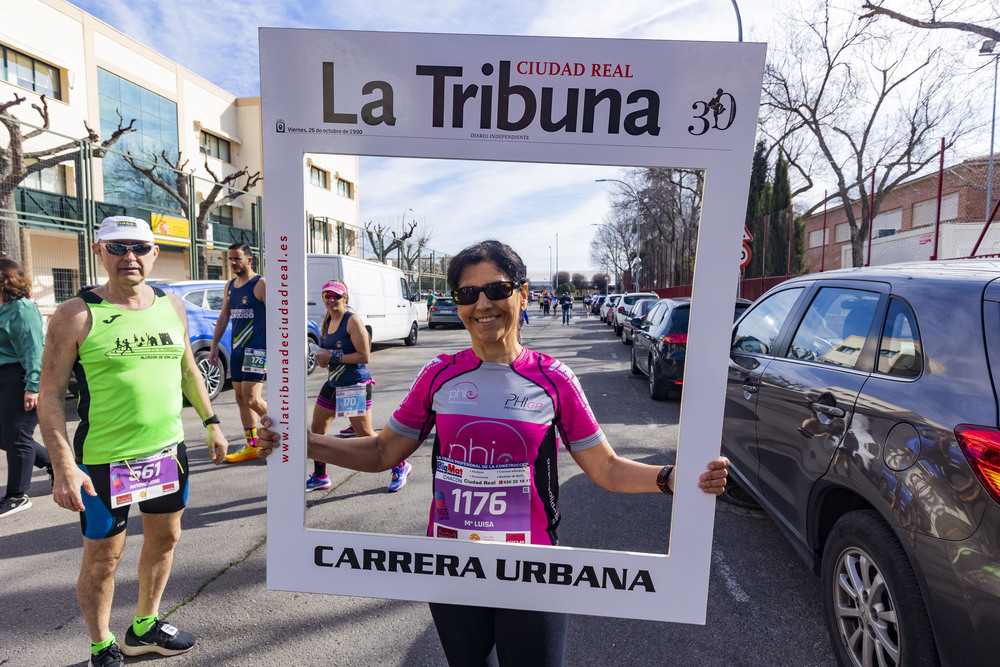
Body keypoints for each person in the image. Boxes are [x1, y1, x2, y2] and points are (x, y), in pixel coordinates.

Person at [254, 239, 729, 666]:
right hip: (452, 564)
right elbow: (381, 452)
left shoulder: (554, 378)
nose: (482, 304)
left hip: (533, 568)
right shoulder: (438, 374)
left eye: (496, 289)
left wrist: (673, 478)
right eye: (466, 294)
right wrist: (299, 441)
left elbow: (605, 467)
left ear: (522, 294)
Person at [38, 216, 228, 667]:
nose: (130, 257)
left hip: (167, 453)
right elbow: (48, 395)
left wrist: (212, 421)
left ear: (154, 253)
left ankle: (145, 626)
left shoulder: (172, 305)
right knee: (104, 558)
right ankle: (102, 643)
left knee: (165, 538)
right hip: (103, 461)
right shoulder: (75, 314)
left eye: (140, 248)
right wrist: (64, 465)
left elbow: (188, 370)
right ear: (99, 250)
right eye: (118, 247)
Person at [306, 280, 412, 493]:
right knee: (316, 431)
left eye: (336, 295)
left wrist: (332, 355)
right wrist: (323, 359)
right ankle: (320, 477)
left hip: (354, 384)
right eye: (327, 295)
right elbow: (333, 354)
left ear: (345, 298)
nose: (331, 299)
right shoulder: (327, 321)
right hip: (333, 383)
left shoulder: (352, 320)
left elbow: (364, 356)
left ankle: (400, 465)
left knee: (364, 435)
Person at [0, 258, 51, 518]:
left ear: (5, 280)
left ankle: (17, 496)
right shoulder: (2, 309)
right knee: (7, 437)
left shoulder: (22, 309)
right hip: (3, 378)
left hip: (20, 377)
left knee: (18, 438)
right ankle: (53, 463)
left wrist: (33, 386)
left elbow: (34, 350)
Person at [209, 243, 267, 463]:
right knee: (241, 398)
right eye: (230, 259)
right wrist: (214, 347)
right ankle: (252, 445)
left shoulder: (260, 284)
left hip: (257, 350)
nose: (233, 263)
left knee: (253, 399)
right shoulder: (230, 285)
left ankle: (290, 431)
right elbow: (224, 316)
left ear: (249, 260)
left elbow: (277, 317)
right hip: (237, 350)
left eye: (237, 259)